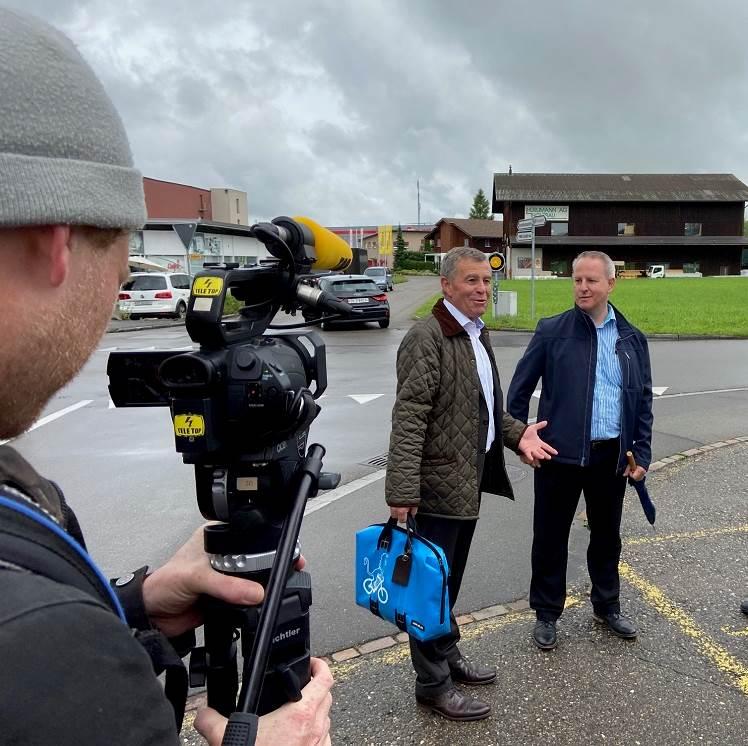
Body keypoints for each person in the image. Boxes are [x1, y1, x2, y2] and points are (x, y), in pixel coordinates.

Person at [0, 9, 332, 745]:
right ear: (56, 243)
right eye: (119, 247)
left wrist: (129, 609)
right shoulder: (49, 660)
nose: (122, 276)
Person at [385, 246, 557, 721]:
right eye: (471, 281)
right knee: (428, 590)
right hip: (434, 488)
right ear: (446, 285)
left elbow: (482, 412)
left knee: (447, 585)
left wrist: (518, 432)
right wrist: (401, 492)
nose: (483, 289)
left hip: (465, 483)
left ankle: (448, 655)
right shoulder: (428, 337)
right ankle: (433, 685)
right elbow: (409, 418)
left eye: (486, 281)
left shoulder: (475, 336)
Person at [507, 250, 653, 651]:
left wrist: (641, 452)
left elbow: (642, 400)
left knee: (607, 536)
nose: (583, 287)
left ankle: (607, 606)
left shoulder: (632, 339)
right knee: (550, 537)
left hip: (611, 458)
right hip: (559, 456)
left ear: (610, 284)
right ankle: (547, 613)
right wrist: (522, 438)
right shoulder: (552, 331)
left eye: (591, 280)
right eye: (577, 280)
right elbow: (517, 394)